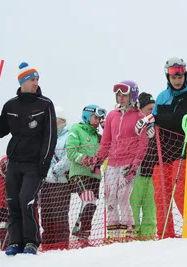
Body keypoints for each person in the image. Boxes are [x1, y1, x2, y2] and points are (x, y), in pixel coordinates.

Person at [0, 62, 57, 255]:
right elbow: (0, 131)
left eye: (37, 79)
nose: (36, 83)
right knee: (13, 202)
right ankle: (15, 242)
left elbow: (50, 137)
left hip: (34, 165)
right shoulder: (11, 105)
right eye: (32, 80)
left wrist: (44, 164)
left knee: (26, 200)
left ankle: (31, 242)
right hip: (14, 163)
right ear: (23, 82)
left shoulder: (45, 104)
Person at [151, 57, 187, 239]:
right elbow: (153, 123)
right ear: (168, 77)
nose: (177, 80)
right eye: (173, 77)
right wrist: (152, 125)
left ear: (185, 75)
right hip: (161, 152)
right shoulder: (161, 97)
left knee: (182, 194)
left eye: (180, 77)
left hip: (183, 150)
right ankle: (165, 235)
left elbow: (182, 119)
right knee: (161, 196)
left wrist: (158, 120)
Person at [92, 81, 148, 242]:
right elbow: (106, 141)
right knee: (110, 197)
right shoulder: (111, 115)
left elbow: (143, 143)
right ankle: (113, 233)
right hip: (112, 163)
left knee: (123, 196)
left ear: (132, 95)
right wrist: (98, 160)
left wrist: (135, 163)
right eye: (118, 95)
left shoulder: (139, 117)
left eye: (124, 95)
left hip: (128, 163)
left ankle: (128, 232)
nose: (120, 98)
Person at [66, 105, 105, 247]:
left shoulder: (98, 135)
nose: (97, 121)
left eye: (99, 118)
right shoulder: (77, 129)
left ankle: (80, 230)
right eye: (95, 117)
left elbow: (108, 148)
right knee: (88, 199)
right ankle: (83, 236)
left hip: (94, 175)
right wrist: (86, 159)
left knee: (91, 204)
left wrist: (107, 130)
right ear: (87, 117)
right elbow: (70, 152)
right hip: (80, 173)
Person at [40, 106, 72, 250]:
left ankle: (61, 247)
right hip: (46, 183)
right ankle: (47, 245)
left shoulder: (68, 136)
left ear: (61, 120)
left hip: (61, 182)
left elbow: (68, 158)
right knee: (46, 216)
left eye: (54, 119)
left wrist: (53, 171)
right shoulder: (46, 137)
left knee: (59, 215)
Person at [130, 92, 157, 240]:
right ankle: (132, 235)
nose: (152, 113)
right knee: (133, 206)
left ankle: (148, 236)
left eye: (154, 109)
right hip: (136, 173)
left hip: (151, 172)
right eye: (149, 109)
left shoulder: (155, 124)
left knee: (150, 208)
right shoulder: (134, 124)